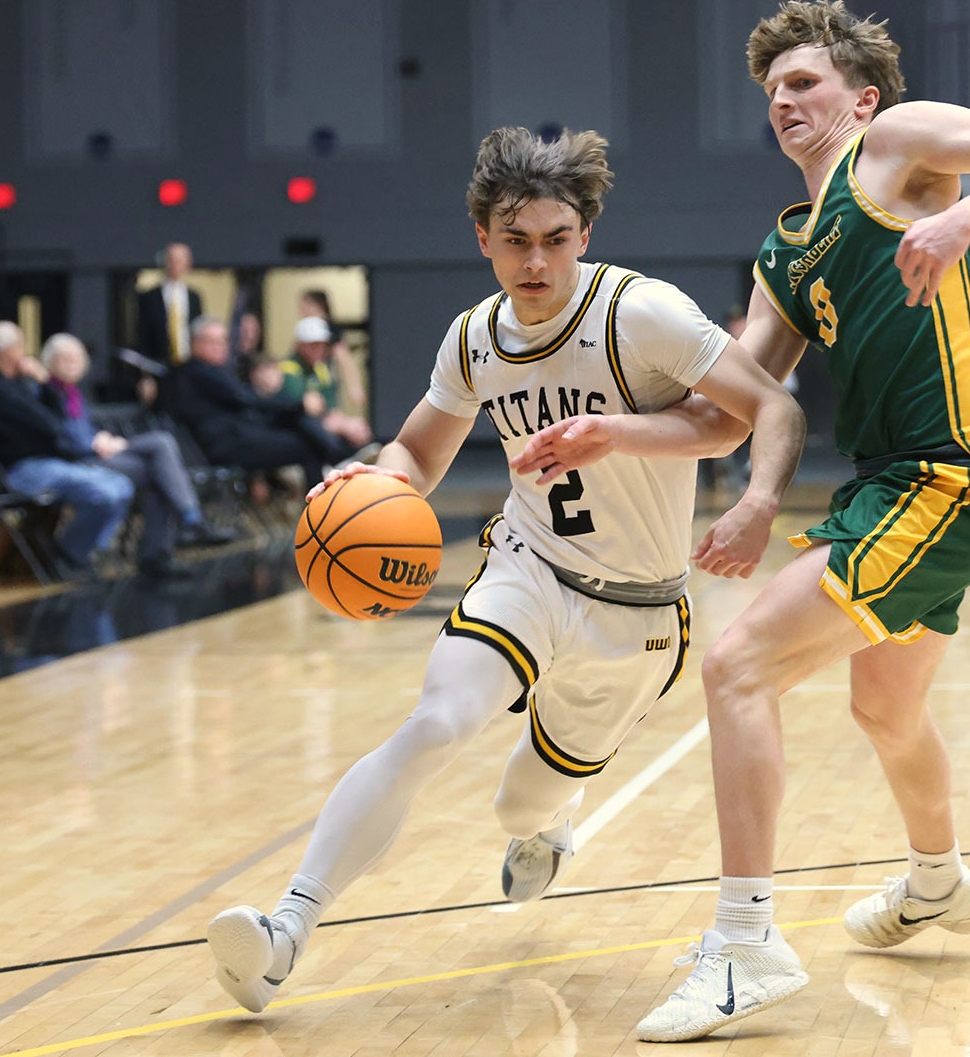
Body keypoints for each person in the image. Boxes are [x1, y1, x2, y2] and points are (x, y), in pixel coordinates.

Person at [514, 0, 970, 1041]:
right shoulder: (784, 259)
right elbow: (726, 411)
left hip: (950, 474)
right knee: (885, 712)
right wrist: (613, 432)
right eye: (772, 91)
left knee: (738, 666)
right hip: (887, 486)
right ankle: (938, 881)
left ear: (860, 97)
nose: (783, 101)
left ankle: (745, 944)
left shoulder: (897, 147)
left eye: (805, 84)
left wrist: (966, 218)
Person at [203, 126, 803, 1017]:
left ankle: (549, 823)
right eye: (516, 241)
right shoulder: (475, 336)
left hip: (635, 615)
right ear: (482, 237)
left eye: (557, 239)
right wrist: (369, 481)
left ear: (585, 237)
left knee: (519, 807)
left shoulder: (638, 314)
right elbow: (416, 450)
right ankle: (285, 933)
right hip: (530, 567)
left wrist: (754, 503)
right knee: (438, 721)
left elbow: (767, 407)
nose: (537, 261)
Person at [39, 331, 237, 575]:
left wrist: (102, 439)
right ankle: (185, 526)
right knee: (161, 453)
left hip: (96, 452)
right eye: (63, 359)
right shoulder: (48, 393)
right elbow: (58, 435)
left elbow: (84, 430)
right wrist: (95, 443)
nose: (70, 364)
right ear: (49, 362)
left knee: (161, 459)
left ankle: (163, 547)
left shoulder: (74, 393)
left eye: (74, 358)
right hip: (77, 460)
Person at [0, 321, 134, 575]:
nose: (26, 352)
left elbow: (53, 422)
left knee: (122, 486)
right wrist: (44, 382)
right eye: (21, 346)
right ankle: (68, 554)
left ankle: (84, 551)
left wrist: (45, 383)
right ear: (7, 352)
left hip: (47, 463)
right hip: (22, 470)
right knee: (106, 494)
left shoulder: (17, 385)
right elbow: (52, 425)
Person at [167, 316, 362, 477]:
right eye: (214, 341)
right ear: (195, 343)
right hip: (228, 444)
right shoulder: (196, 371)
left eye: (223, 340)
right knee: (306, 445)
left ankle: (341, 455)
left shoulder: (216, 370)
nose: (222, 346)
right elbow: (244, 398)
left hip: (244, 432)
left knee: (297, 419)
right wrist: (299, 404)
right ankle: (331, 479)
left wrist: (297, 408)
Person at [278, 311, 373, 450]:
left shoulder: (321, 369)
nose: (318, 349)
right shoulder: (288, 368)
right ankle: (340, 458)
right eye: (313, 344)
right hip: (296, 425)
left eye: (322, 344)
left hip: (324, 421)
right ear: (300, 344)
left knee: (358, 427)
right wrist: (340, 426)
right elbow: (304, 408)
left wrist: (346, 423)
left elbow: (330, 406)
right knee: (310, 424)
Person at [133, 243, 201, 403]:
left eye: (180, 260)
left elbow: (198, 331)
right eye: (171, 260)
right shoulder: (149, 297)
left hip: (189, 367)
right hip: (160, 367)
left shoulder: (194, 297)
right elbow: (143, 337)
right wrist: (145, 376)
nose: (175, 264)